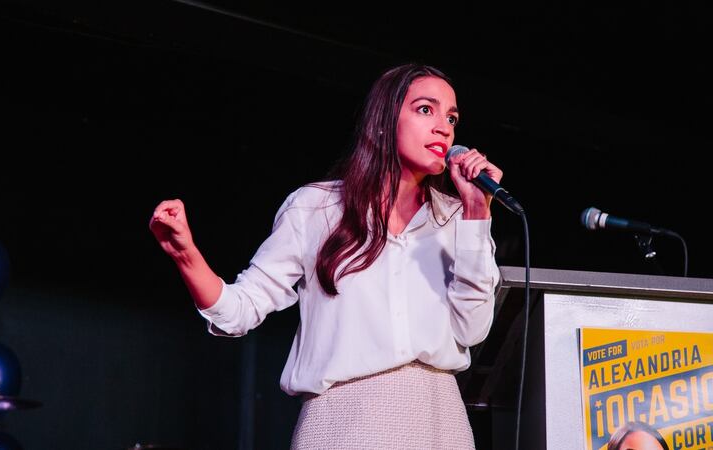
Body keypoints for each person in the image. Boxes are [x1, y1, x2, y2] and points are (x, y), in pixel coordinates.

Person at [150, 63, 502, 449]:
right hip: (342, 424)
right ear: (383, 122)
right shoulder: (315, 208)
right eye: (425, 110)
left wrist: (476, 214)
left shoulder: (457, 219)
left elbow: (473, 330)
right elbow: (240, 310)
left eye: (451, 117)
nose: (444, 127)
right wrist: (186, 255)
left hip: (440, 423)